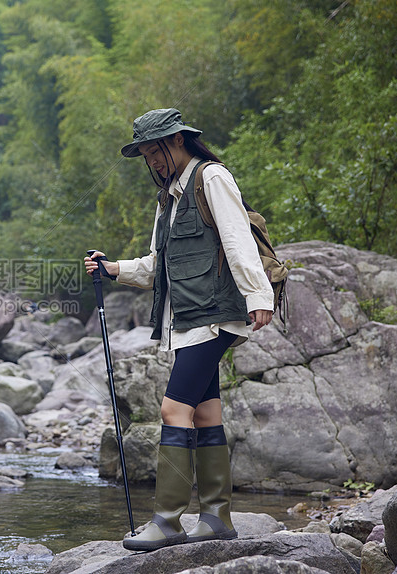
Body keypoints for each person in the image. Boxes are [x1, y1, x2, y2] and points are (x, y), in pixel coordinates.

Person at [84, 108, 274, 552]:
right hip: (188, 320)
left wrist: (259, 295)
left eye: (155, 151)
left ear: (177, 142)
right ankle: (216, 519)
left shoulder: (212, 178)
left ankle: (168, 522)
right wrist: (113, 268)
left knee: (173, 410)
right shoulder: (168, 198)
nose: (151, 161)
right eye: (145, 155)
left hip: (214, 316)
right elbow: (157, 267)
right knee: (206, 413)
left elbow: (237, 239)